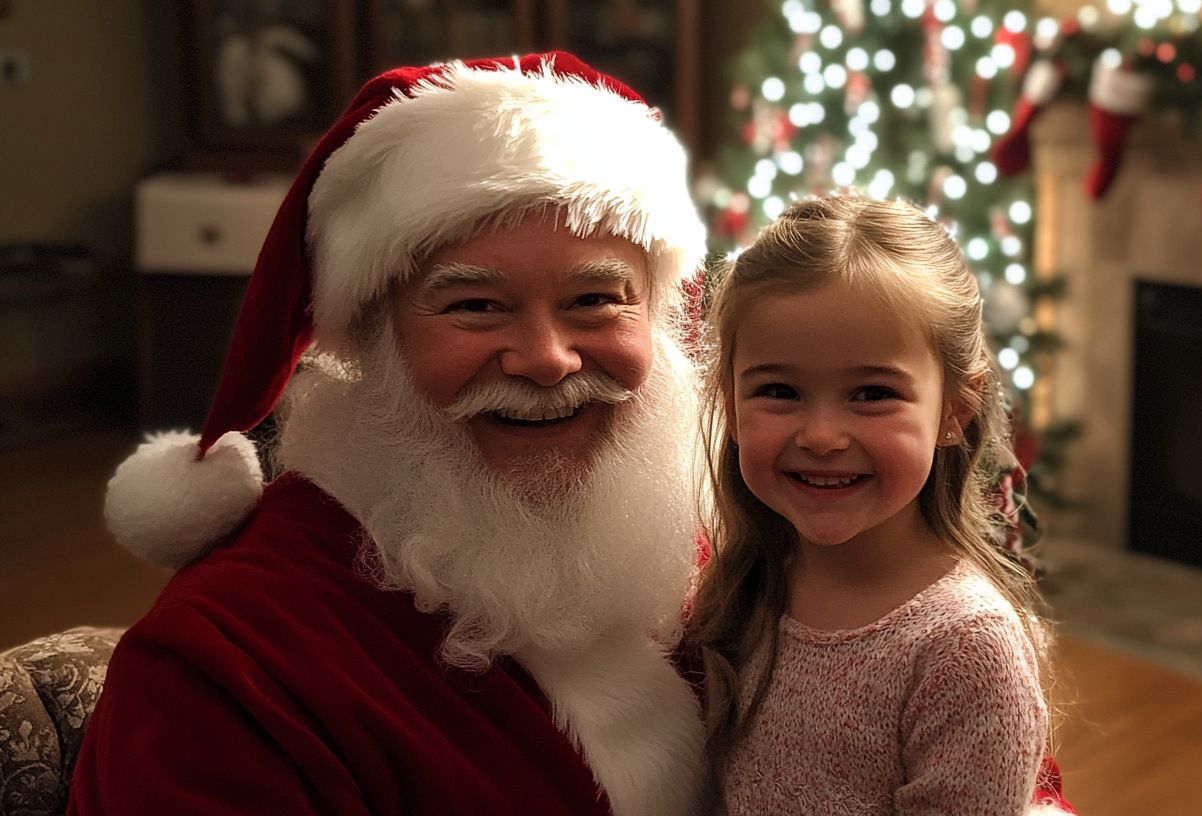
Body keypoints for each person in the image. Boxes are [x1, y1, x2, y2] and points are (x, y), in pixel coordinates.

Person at [71, 53, 710, 815]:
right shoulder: (229, 669)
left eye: (597, 298)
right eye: (475, 305)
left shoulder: (712, 556)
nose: (547, 359)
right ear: (374, 340)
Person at [684, 194, 1066, 815]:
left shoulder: (964, 648)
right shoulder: (743, 584)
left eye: (871, 393)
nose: (822, 436)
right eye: (779, 391)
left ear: (954, 411)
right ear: (729, 400)